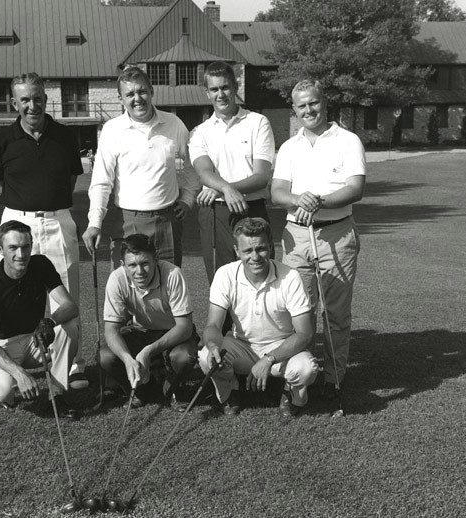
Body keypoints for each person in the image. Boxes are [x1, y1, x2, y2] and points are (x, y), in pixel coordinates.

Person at [0, 72, 88, 390]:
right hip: (18, 221)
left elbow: (70, 181)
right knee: (17, 292)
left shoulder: (64, 137)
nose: (33, 105)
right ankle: (18, 357)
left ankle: (73, 364)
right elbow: (0, 183)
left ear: (47, 99)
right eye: (25, 99)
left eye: (38, 98)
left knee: (66, 295)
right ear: (15, 102)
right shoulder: (2, 139)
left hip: (58, 219)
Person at [270, 79, 366, 401]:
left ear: (324, 103)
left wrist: (320, 202)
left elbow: (356, 188)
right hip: (297, 237)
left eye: (313, 103)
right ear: (294, 110)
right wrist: (300, 199)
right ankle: (302, 378)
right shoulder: (289, 147)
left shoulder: (348, 140)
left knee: (336, 315)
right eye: (302, 106)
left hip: (337, 234)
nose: (308, 110)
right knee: (300, 312)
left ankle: (333, 378)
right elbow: (277, 192)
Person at [199, 218, 319, 418]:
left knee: (306, 368)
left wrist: (268, 360)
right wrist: (212, 346)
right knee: (206, 357)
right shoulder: (225, 274)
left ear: (271, 248)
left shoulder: (290, 277)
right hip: (242, 346)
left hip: (281, 349)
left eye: (261, 249)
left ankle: (292, 393)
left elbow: (305, 334)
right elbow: (212, 325)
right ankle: (231, 390)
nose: (255, 257)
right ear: (237, 251)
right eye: (247, 251)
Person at [82, 66, 199, 268]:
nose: (138, 98)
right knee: (128, 292)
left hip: (167, 220)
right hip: (128, 221)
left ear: (151, 91)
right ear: (121, 99)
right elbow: (102, 181)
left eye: (142, 91)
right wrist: (94, 223)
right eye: (130, 94)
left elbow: (193, 165)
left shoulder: (174, 123)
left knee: (168, 290)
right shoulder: (112, 130)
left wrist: (188, 199)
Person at [0, 220, 79, 418]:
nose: (21, 255)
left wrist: (50, 322)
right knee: (3, 392)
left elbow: (70, 306)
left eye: (25, 247)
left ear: (31, 246)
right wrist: (20, 374)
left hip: (35, 340)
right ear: (0, 249)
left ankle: (56, 396)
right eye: (13, 248)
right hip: (2, 346)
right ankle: (3, 386)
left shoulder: (41, 265)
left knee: (68, 326)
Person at [188, 61, 275, 282]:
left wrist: (222, 190)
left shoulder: (258, 122)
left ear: (235, 87)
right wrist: (226, 189)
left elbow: (262, 176)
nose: (221, 94)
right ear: (206, 93)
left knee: (261, 280)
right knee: (222, 283)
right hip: (215, 215)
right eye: (214, 89)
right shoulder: (200, 132)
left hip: (252, 208)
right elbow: (204, 172)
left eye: (225, 87)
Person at [100, 234, 198, 410]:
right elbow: (111, 331)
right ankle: (140, 388)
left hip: (173, 333)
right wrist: (127, 359)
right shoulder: (116, 278)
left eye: (145, 263)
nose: (139, 271)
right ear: (123, 265)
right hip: (140, 331)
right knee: (106, 356)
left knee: (183, 357)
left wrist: (149, 351)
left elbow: (185, 327)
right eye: (132, 265)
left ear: (156, 260)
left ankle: (173, 389)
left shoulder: (173, 274)